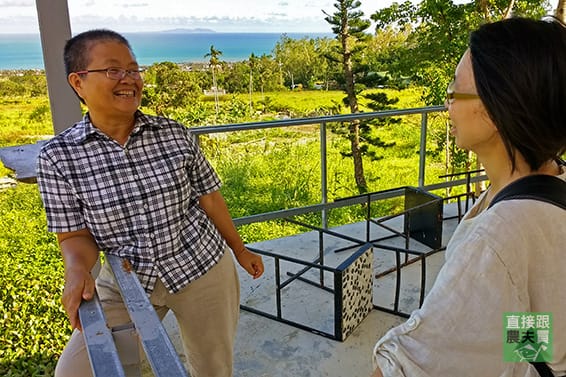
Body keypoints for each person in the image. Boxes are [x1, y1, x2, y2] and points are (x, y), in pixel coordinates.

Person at [36, 29, 264, 377]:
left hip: (201, 268)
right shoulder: (58, 157)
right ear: (78, 82)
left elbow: (210, 197)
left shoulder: (174, 134)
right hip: (127, 279)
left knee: (213, 369)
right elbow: (74, 234)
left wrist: (240, 249)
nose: (129, 79)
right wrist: (77, 270)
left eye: (133, 69)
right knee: (75, 371)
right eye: (113, 70)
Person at [371, 17, 566, 377]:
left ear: (493, 110)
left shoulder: (497, 238)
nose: (448, 106)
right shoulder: (553, 179)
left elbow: (412, 364)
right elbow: (537, 305)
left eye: (455, 92)